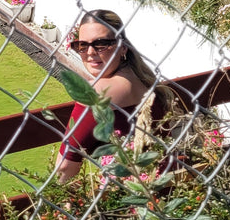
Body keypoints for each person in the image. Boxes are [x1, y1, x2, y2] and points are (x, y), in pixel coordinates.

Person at [55, 11, 170, 184]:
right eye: (82, 45)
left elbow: (65, 165)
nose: (91, 52)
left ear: (122, 47)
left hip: (130, 195)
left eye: (101, 44)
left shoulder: (97, 91)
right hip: (168, 184)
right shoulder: (145, 80)